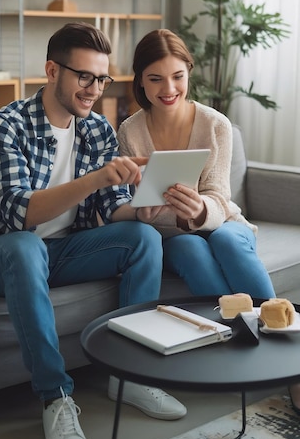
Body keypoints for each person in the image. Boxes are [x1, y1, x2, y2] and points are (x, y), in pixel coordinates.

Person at [0, 23, 186, 439]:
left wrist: (141, 208)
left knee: (143, 239)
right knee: (25, 246)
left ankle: (129, 376)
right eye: (84, 76)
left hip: (63, 252)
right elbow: (21, 214)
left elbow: (110, 207)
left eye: (101, 79)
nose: (94, 89)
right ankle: (55, 396)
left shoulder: (96, 130)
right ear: (51, 70)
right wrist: (96, 176)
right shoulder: (5, 126)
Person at [117, 28, 276, 300]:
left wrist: (200, 208)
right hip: (171, 238)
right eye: (155, 79)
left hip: (223, 224)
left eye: (178, 77)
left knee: (225, 240)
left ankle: (278, 323)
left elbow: (219, 195)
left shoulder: (216, 125)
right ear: (141, 81)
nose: (169, 89)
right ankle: (231, 329)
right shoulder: (129, 132)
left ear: (189, 72)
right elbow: (136, 204)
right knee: (190, 247)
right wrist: (147, 212)